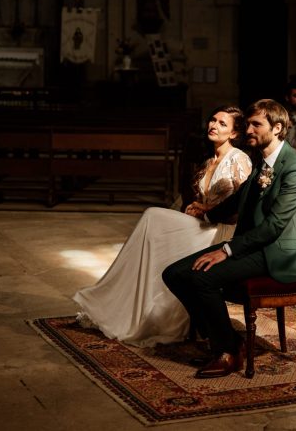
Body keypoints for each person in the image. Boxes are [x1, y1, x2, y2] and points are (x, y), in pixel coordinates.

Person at [73, 106, 252, 347]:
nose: (213, 125)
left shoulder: (239, 159)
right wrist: (194, 208)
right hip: (204, 225)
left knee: (153, 217)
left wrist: (206, 211)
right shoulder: (210, 160)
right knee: (153, 228)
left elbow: (243, 205)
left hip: (223, 232)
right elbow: (198, 200)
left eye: (222, 123)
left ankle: (149, 306)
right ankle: (135, 302)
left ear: (233, 133)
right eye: (212, 120)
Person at [162, 99, 296, 379]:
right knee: (174, 274)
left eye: (257, 124)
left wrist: (228, 250)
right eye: (249, 124)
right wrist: (205, 214)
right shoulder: (262, 160)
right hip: (254, 244)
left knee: (202, 277)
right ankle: (228, 341)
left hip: (279, 253)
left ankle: (227, 351)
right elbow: (239, 200)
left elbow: (275, 226)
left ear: (278, 128)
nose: (249, 130)